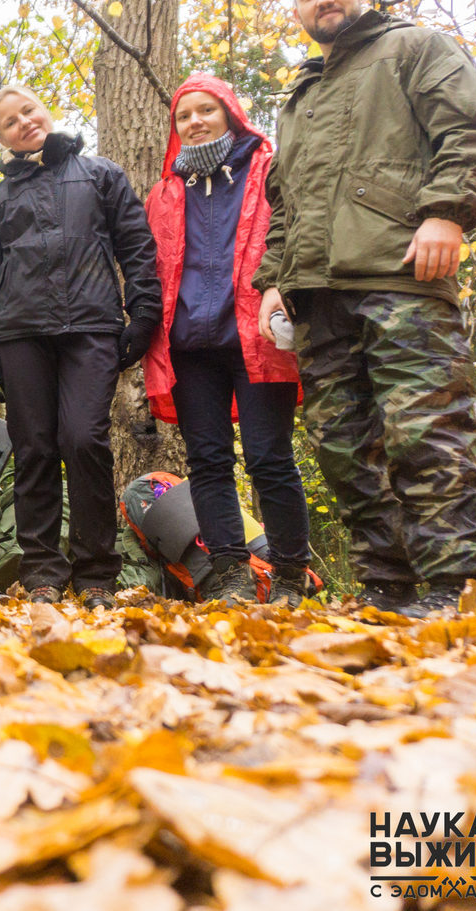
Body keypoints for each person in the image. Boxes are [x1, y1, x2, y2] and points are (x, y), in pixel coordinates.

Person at [256, 0, 476, 616]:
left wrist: (447, 213)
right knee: (343, 450)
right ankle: (387, 591)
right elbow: (286, 202)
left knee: (427, 433)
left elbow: (475, 126)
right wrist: (274, 283)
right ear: (297, 10)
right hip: (317, 294)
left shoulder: (413, 47)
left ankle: (461, 591)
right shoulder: (300, 98)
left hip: (402, 274)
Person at [0, 87, 161, 608]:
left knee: (84, 441)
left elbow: (137, 247)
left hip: (90, 329)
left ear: (46, 113)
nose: (23, 123)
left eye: (28, 111)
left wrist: (142, 314)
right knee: (34, 451)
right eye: (8, 122)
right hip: (18, 336)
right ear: (1, 138)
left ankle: (97, 573)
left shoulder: (101, 175)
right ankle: (42, 573)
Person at [142, 74, 313, 605]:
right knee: (208, 462)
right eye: (184, 116)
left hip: (256, 336)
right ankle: (232, 575)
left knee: (269, 457)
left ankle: (289, 574)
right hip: (191, 345)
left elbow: (296, 233)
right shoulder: (166, 192)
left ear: (230, 114)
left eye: (205, 111)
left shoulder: (269, 171)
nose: (194, 122)